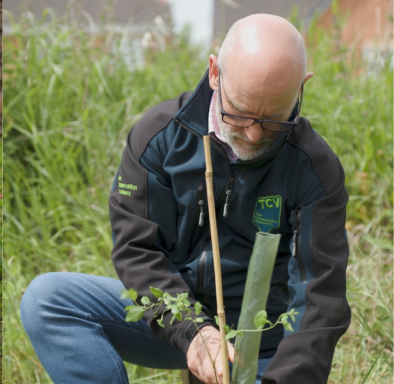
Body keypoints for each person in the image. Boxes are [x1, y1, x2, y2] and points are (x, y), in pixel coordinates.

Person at [20, 14, 349, 384]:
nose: (254, 135)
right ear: (214, 73)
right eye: (238, 113)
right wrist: (195, 331)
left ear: (301, 89)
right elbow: (137, 251)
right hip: (174, 318)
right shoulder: (158, 139)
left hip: (262, 344)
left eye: (274, 119)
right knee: (47, 301)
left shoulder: (316, 171)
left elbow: (319, 300)